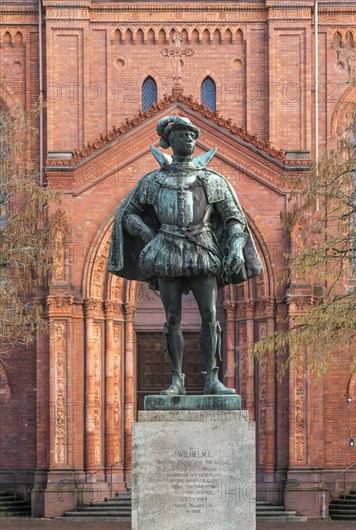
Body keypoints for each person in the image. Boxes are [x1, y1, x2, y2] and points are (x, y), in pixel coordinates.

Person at [108, 116, 263, 396]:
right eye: (182, 135)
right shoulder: (154, 180)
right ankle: (176, 380)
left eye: (192, 135)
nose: (189, 139)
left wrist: (237, 247)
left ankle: (212, 379)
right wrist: (148, 235)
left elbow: (234, 219)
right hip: (166, 251)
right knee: (173, 318)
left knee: (209, 315)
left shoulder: (212, 180)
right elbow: (128, 213)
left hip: (202, 249)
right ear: (171, 142)